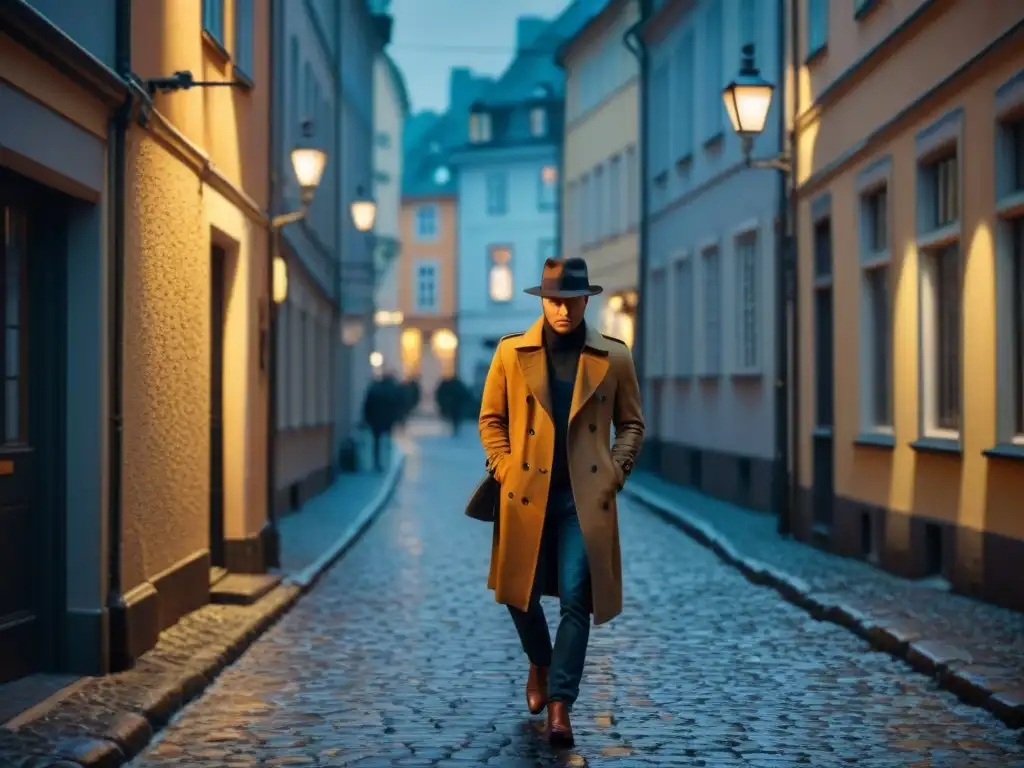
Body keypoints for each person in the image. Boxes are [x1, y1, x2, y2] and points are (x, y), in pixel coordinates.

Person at [477, 257, 645, 747]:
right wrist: (504, 465)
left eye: (572, 300)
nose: (563, 309)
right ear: (542, 301)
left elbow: (632, 422)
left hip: (582, 498)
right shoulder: (512, 353)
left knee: (576, 597)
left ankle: (559, 705)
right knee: (518, 595)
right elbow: (491, 419)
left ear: (586, 300)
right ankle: (542, 662)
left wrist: (615, 472)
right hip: (525, 491)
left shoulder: (613, 356)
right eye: (554, 300)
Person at [361, 371, 401, 471]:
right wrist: (395, 418)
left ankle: (377, 462)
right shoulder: (393, 390)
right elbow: (396, 406)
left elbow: (368, 405)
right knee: (387, 440)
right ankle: (386, 461)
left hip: (375, 420)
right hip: (387, 420)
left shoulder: (374, 389)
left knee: (376, 442)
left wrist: (367, 418)